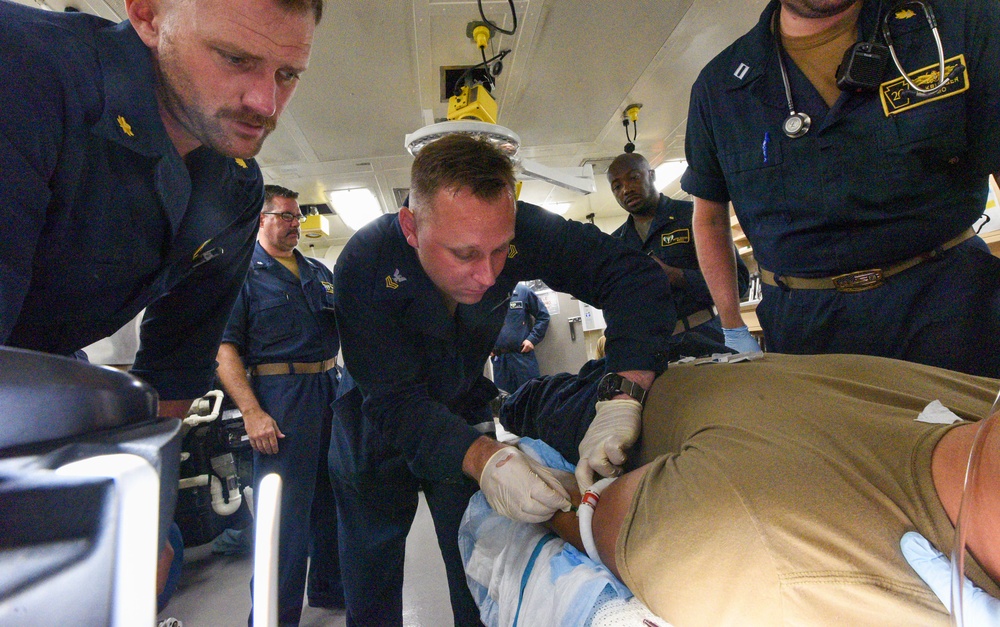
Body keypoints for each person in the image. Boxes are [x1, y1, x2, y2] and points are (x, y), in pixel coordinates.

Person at [0, 0, 321, 596]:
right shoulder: (25, 68)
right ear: (147, 15)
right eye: (236, 59)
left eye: (286, 74)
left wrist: (150, 520)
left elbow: (176, 367)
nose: (265, 103)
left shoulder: (233, 189)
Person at [330, 133, 676, 626]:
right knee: (371, 568)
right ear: (411, 226)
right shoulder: (365, 263)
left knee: (475, 558)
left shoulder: (521, 230)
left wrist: (623, 392)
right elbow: (396, 402)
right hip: (375, 418)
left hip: (460, 405)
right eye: (464, 255)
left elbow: (630, 275)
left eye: (500, 252)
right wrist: (485, 460)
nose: (489, 276)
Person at [535, 352, 1000, 625]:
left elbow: (587, 510)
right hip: (631, 400)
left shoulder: (779, 559)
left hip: (691, 384)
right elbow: (583, 511)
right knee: (537, 398)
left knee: (540, 398)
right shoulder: (759, 543)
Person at [681, 0, 1000, 376]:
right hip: (806, 332)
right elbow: (710, 220)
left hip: (956, 305)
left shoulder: (959, 22)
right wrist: (733, 327)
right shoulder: (719, 88)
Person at [216, 186, 343, 624]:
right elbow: (225, 349)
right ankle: (273, 616)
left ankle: (329, 589)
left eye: (297, 216)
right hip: (282, 397)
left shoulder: (319, 271)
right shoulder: (243, 275)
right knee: (284, 517)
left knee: (332, 501)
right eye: (286, 216)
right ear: (261, 219)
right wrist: (253, 412)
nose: (295, 224)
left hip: (331, 388)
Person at [608, 152, 752, 356]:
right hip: (654, 351)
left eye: (634, 177)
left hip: (707, 337)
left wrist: (676, 276)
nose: (626, 189)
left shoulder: (694, 217)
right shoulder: (617, 244)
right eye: (617, 186)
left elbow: (738, 282)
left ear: (651, 175)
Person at [490, 282, 550, 393]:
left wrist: (532, 339)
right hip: (500, 361)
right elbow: (480, 324)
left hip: (522, 357)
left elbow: (543, 316)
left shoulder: (523, 291)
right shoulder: (487, 294)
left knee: (531, 396)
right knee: (505, 401)